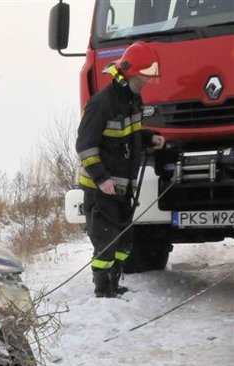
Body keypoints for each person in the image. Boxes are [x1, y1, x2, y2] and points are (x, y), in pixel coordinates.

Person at [75, 41, 166, 298]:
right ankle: (103, 290)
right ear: (131, 73)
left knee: (124, 241)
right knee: (107, 240)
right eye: (143, 76)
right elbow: (85, 146)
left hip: (122, 186)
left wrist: (149, 138)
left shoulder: (132, 99)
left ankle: (114, 284)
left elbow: (128, 135)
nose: (146, 81)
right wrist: (102, 179)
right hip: (101, 188)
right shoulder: (101, 104)